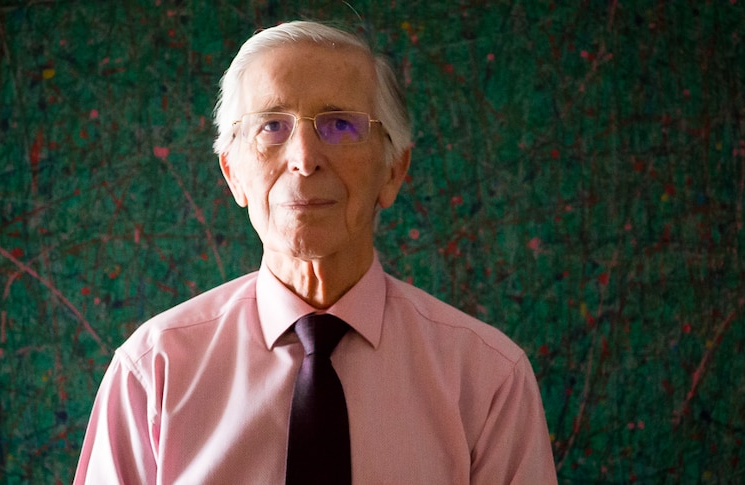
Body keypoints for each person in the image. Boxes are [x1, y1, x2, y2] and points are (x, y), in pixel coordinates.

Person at [74, 20, 557, 484]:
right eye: (271, 126)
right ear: (233, 174)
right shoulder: (153, 370)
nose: (304, 159)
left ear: (393, 171)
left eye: (341, 125)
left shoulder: (488, 378)